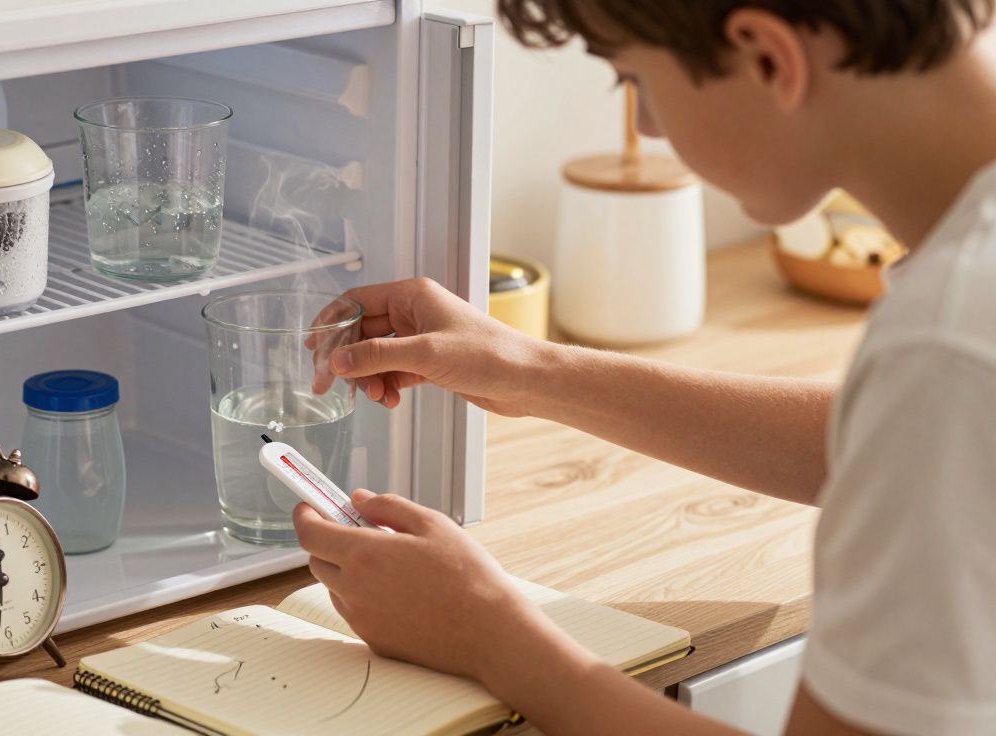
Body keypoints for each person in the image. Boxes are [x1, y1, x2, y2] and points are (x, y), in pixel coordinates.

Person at [292, 2, 996, 734]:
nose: (650, 128)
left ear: (767, 58)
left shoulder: (948, 345)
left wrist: (485, 633)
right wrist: (531, 369)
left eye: (636, 83)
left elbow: (926, 417)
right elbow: (892, 445)